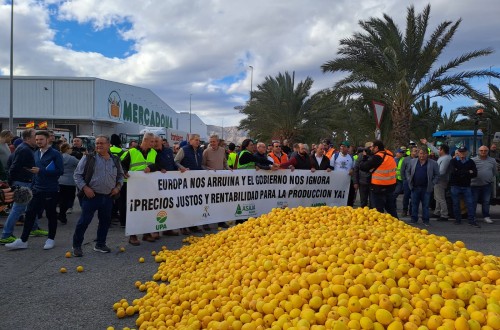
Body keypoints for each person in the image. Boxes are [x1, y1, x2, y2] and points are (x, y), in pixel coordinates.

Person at [6, 131, 64, 250]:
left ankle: (50, 239)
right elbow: (35, 171)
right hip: (36, 189)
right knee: (30, 214)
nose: (38, 142)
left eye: (41, 139)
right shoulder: (36, 153)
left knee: (51, 215)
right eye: (37, 140)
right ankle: (23, 240)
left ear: (47, 140)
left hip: (50, 190)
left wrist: (41, 171)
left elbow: (60, 171)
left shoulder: (55, 154)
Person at [72, 135, 124, 257]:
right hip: (91, 196)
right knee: (84, 221)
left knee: (105, 221)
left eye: (101, 143)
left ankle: (100, 244)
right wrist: (85, 188)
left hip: (108, 197)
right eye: (97, 143)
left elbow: (121, 175)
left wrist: (117, 188)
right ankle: (77, 246)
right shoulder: (88, 158)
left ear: (108, 145)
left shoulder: (115, 159)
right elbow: (77, 175)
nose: (99, 145)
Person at [120, 132, 161, 244]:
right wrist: (124, 172)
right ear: (145, 140)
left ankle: (146, 234)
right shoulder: (132, 152)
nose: (153, 143)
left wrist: (151, 167)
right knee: (133, 210)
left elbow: (158, 164)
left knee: (147, 209)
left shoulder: (154, 152)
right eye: (151, 141)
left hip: (147, 186)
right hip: (132, 185)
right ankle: (132, 236)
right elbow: (121, 164)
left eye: (154, 141)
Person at [0, 129, 37, 245]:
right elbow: (14, 166)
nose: (37, 139)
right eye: (35, 136)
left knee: (30, 207)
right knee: (17, 209)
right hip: (22, 183)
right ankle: (6, 235)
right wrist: (11, 183)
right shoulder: (24, 149)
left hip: (24, 182)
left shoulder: (25, 148)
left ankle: (34, 228)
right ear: (28, 138)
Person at [359, 140, 398, 218]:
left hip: (378, 187)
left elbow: (363, 167)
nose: (371, 149)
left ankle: (381, 226)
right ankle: (397, 224)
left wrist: (365, 157)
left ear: (376, 148)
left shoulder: (377, 157)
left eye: (372, 147)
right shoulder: (390, 156)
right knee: (391, 209)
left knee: (378, 210)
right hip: (390, 187)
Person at [174, 134, 204, 234]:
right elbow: (176, 161)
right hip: (185, 181)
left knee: (194, 204)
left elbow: (200, 164)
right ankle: (183, 226)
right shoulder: (184, 149)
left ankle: (193, 225)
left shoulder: (200, 151)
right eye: (196, 140)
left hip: (196, 182)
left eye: (199, 140)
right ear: (190, 141)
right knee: (185, 204)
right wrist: (182, 167)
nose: (198, 142)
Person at [202, 135, 232, 230]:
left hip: (220, 181)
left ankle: (221, 221)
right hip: (209, 181)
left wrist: (228, 168)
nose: (212, 143)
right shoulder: (206, 151)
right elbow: (202, 165)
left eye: (214, 142)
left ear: (218, 142)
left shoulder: (222, 150)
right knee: (208, 201)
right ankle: (206, 222)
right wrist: (209, 169)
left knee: (220, 201)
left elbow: (224, 162)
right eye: (211, 142)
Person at [406, 147, 439, 226]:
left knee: (426, 205)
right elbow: (407, 171)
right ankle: (414, 219)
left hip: (426, 188)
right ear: (418, 154)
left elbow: (437, 175)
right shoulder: (412, 162)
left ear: (427, 154)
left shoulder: (433, 163)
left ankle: (426, 220)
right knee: (414, 204)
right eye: (421, 153)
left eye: (424, 154)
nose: (422, 155)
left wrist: (432, 183)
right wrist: (409, 179)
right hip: (415, 187)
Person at [421, 139, 452, 221]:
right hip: (438, 180)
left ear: (442, 150)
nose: (438, 150)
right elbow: (435, 150)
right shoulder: (443, 157)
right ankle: (437, 212)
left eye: (439, 149)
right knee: (437, 197)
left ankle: (444, 214)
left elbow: (442, 171)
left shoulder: (445, 159)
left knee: (440, 198)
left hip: (440, 180)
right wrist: (427, 143)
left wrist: (432, 175)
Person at [449, 146, 479, 227]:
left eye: (463, 152)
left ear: (466, 152)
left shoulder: (471, 162)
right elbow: (453, 172)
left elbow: (475, 174)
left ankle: (471, 220)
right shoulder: (453, 161)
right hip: (455, 185)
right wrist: (468, 172)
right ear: (458, 152)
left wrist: (459, 171)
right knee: (456, 204)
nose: (462, 153)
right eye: (460, 152)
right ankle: (458, 220)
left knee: (470, 204)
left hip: (466, 186)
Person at [471, 146, 497, 223]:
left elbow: (494, 172)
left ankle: (486, 216)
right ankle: (473, 217)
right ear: (478, 151)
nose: (483, 152)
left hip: (487, 185)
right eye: (481, 150)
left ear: (488, 151)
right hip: (474, 185)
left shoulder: (492, 160)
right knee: (473, 201)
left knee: (486, 201)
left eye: (485, 150)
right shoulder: (473, 160)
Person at [57, 143, 79, 225]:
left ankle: (61, 214)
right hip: (70, 181)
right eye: (70, 148)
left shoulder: (59, 157)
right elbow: (80, 164)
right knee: (69, 199)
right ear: (67, 149)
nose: (71, 150)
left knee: (62, 198)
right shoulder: (72, 158)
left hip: (60, 180)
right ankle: (62, 214)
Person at [330, 141, 355, 206]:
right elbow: (331, 167)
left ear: (348, 148)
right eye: (341, 146)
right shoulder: (335, 155)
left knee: (348, 197)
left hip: (347, 182)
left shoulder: (351, 157)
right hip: (337, 181)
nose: (342, 147)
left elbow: (353, 168)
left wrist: (352, 170)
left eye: (344, 146)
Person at [400, 146, 418, 217]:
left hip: (415, 181)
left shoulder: (418, 160)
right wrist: (404, 179)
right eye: (415, 151)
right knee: (406, 196)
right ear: (411, 152)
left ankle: (411, 211)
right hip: (407, 181)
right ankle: (405, 210)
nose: (416, 152)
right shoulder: (406, 159)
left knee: (414, 197)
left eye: (417, 151)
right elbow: (402, 170)